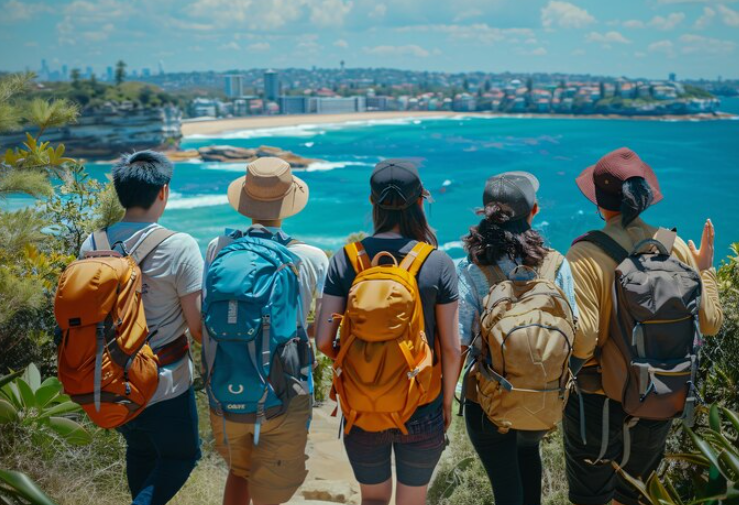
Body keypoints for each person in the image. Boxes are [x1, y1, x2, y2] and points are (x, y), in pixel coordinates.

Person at [564, 147, 724, 505]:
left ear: (600, 203)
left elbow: (585, 339)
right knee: (634, 494)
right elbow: (710, 324)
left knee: (591, 497)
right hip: (660, 393)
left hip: (600, 402)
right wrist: (706, 269)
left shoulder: (584, 255)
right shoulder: (675, 246)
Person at [315, 160, 462, 505]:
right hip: (422, 405)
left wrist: (360, 368)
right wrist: (445, 401)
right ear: (420, 201)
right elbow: (452, 348)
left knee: (373, 499)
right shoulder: (438, 263)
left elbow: (323, 339)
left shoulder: (346, 259)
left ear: (372, 201)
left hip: (362, 406)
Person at [79, 150, 203, 505]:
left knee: (142, 452)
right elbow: (196, 327)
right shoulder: (179, 246)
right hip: (164, 383)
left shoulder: (92, 244)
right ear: (163, 192)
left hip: (110, 380)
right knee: (181, 456)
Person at [203, 157, 329, 505]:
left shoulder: (219, 248)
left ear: (245, 200)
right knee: (272, 491)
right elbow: (318, 332)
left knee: (238, 472)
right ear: (289, 203)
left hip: (225, 383)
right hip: (285, 390)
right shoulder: (312, 257)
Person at [457, 171, 579, 505]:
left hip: (487, 399)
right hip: (543, 394)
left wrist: (442, 402)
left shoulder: (471, 268)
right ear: (534, 211)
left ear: (486, 214)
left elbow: (460, 342)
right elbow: (576, 327)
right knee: (528, 461)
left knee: (505, 490)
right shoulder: (556, 265)